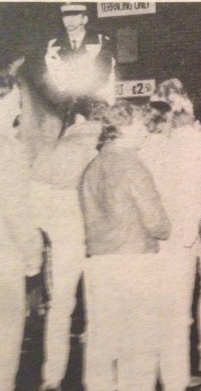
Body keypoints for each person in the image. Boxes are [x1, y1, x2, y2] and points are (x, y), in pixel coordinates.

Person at [79, 100, 172, 391]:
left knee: (102, 341)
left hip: (99, 262)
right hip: (135, 260)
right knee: (140, 343)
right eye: (141, 126)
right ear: (123, 128)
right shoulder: (133, 165)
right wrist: (166, 227)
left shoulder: (92, 167)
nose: (145, 132)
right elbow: (157, 221)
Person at [139, 92, 201, 390]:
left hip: (152, 237)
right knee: (192, 298)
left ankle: (158, 371)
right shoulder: (191, 142)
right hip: (185, 234)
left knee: (159, 303)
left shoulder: (142, 148)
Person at [30, 98, 104, 391]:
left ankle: (52, 377)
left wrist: (55, 229)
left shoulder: (54, 149)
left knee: (60, 306)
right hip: (103, 238)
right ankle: (98, 380)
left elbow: (35, 204)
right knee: (101, 309)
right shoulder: (106, 147)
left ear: (76, 119)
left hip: (66, 236)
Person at [0, 60, 43, 391]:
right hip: (5, 258)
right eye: (15, 99)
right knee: (5, 343)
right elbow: (16, 209)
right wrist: (33, 257)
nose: (18, 106)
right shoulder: (8, 150)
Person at [44, 3, 115, 109]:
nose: (69, 20)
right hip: (64, 101)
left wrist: (81, 99)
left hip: (95, 100)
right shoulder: (53, 45)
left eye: (75, 16)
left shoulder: (101, 42)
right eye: (66, 16)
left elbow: (103, 75)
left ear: (84, 19)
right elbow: (50, 77)